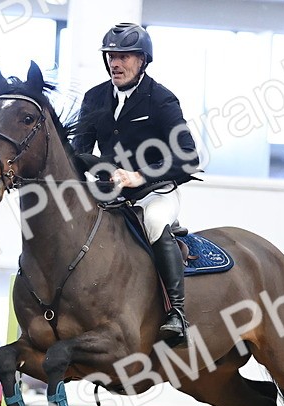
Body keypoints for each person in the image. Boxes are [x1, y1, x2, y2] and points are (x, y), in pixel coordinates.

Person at [72, 22, 201, 345]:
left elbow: (188, 157)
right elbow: (79, 151)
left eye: (125, 57)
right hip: (110, 195)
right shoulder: (94, 97)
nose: (116, 63)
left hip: (154, 192)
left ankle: (177, 314)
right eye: (112, 56)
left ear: (142, 60)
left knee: (156, 223)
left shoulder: (161, 100)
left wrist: (139, 175)